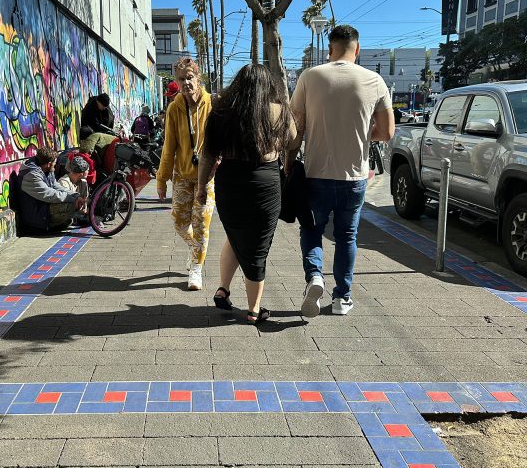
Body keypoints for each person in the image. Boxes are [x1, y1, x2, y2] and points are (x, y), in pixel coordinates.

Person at [289, 24, 395, 318]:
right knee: (347, 236)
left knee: (311, 231)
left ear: (330, 49)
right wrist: (363, 134)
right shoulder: (374, 80)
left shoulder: (310, 77)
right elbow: (387, 132)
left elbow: (294, 128)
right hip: (354, 178)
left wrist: (287, 163)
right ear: (357, 49)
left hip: (315, 174)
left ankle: (315, 277)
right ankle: (341, 298)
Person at [198, 64, 298, 324]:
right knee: (257, 246)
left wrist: (200, 188)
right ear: (269, 87)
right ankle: (254, 310)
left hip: (229, 182)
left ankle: (223, 288)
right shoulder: (279, 111)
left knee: (235, 236)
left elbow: (208, 154)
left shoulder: (221, 111)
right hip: (264, 182)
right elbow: (293, 139)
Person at [156, 58, 214, 291]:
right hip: (182, 175)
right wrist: (161, 179)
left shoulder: (212, 104)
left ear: (198, 78)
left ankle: (196, 269)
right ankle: (196, 249)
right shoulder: (174, 108)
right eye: (181, 79)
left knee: (201, 224)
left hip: (207, 177)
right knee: (180, 223)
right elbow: (168, 146)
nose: (186, 82)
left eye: (190, 77)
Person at [18, 147, 86, 232]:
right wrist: (73, 199)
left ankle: (85, 217)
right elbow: (49, 194)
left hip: (44, 208)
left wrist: (75, 195)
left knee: (76, 201)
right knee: (72, 205)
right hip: (36, 215)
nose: (56, 164)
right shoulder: (31, 175)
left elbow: (55, 186)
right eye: (55, 162)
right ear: (49, 164)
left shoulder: (46, 169)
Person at [57, 156, 90, 225]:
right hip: (65, 214)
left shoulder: (83, 182)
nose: (88, 172)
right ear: (80, 173)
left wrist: (85, 207)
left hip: (78, 213)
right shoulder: (63, 182)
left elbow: (85, 199)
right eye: (87, 170)